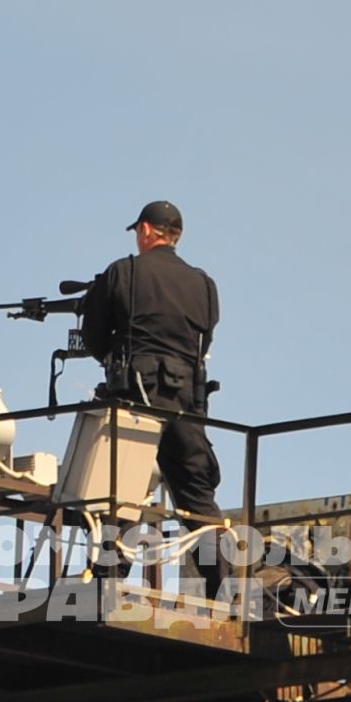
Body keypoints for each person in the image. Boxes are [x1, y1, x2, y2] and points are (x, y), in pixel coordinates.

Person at [78, 200, 226, 590]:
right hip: (187, 403)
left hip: (136, 396)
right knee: (197, 496)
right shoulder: (205, 285)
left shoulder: (123, 272)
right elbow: (203, 340)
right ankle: (223, 585)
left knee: (122, 489)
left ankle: (107, 581)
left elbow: (94, 336)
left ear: (145, 230)